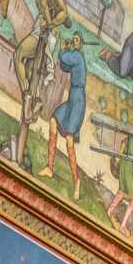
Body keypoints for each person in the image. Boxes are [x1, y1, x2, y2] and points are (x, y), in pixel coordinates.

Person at [41, 32, 88, 199]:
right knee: (53, 121)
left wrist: (62, 49)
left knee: (69, 139)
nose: (74, 41)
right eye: (73, 38)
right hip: (73, 96)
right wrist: (64, 52)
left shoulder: (78, 56)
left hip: (78, 101)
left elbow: (65, 58)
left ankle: (76, 182)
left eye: (76, 39)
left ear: (80, 44)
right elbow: (64, 66)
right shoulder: (74, 56)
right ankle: (49, 168)